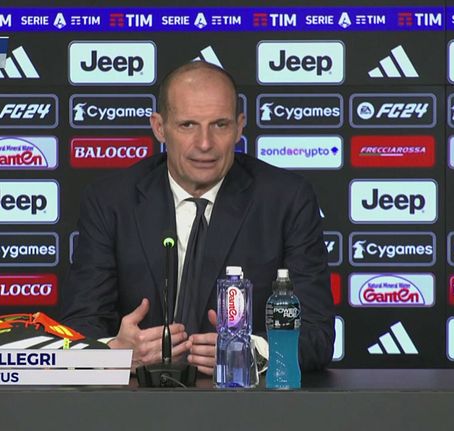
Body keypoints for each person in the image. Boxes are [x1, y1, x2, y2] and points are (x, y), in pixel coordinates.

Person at [60, 61, 334, 374]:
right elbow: (79, 327)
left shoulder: (286, 200)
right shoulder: (111, 201)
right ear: (159, 128)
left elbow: (316, 335)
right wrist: (117, 353)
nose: (205, 144)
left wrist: (249, 353)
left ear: (239, 127)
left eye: (220, 125)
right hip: (137, 398)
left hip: (243, 400)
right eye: (188, 125)